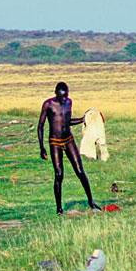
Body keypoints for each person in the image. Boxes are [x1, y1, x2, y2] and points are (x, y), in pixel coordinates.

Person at [38, 82, 101, 215]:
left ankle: (91, 201)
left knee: (80, 171)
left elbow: (67, 122)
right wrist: (42, 148)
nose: (63, 99)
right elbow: (41, 126)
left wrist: (83, 119)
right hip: (55, 142)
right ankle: (59, 209)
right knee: (59, 174)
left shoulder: (69, 102)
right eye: (61, 97)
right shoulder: (48, 104)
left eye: (65, 96)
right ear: (55, 94)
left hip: (68, 140)